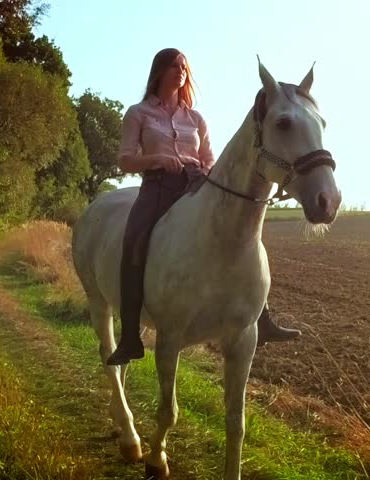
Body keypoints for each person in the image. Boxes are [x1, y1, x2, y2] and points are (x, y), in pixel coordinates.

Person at [107, 48, 300, 366]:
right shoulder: (138, 113)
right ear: (160, 71)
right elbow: (125, 159)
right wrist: (157, 159)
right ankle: (130, 336)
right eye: (174, 65)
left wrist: (206, 171)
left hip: (196, 184)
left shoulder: (195, 118)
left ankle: (261, 320)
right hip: (157, 188)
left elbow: (209, 159)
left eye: (184, 66)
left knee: (241, 236)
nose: (180, 70)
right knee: (134, 242)